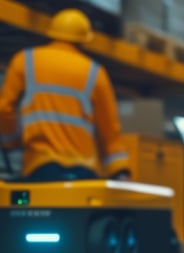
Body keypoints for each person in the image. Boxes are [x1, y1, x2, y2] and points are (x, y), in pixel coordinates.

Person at [0, 8, 130, 181]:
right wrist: (120, 169)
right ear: (84, 40)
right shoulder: (95, 73)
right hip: (83, 171)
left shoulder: (25, 60)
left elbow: (4, 109)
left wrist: (12, 143)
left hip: (40, 166)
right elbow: (110, 131)